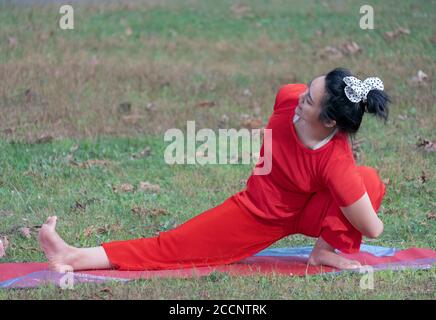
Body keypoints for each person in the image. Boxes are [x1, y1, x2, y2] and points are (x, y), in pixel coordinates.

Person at [38, 67, 391, 272]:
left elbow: (373, 229)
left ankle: (324, 253)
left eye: (310, 100)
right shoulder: (288, 97)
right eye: (308, 88)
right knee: (171, 246)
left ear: (329, 121)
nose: (302, 97)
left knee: (368, 180)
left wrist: (344, 203)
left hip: (312, 210)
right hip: (259, 211)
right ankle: (72, 255)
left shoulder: (338, 165)